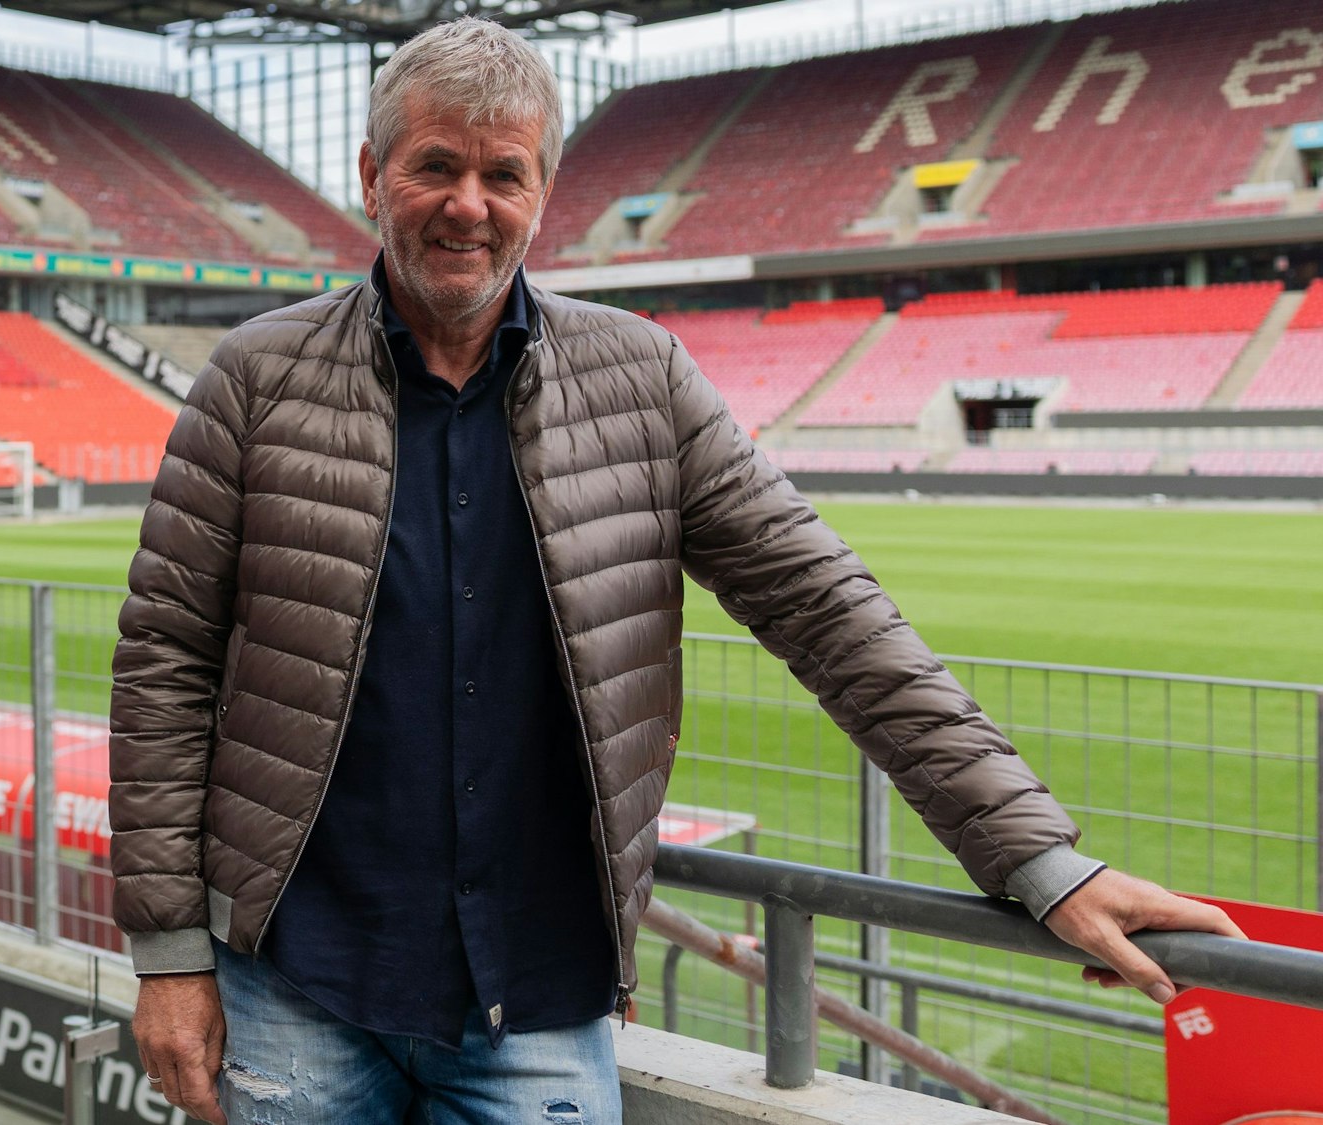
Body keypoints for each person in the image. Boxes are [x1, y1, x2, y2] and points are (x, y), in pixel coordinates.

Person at [107, 17, 1242, 1124]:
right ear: (371, 175)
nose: (468, 205)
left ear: (544, 192)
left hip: (535, 991)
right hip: (296, 978)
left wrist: (1036, 859)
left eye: (503, 174)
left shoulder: (642, 379)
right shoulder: (254, 379)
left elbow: (827, 611)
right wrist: (168, 954)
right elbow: (165, 664)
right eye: (434, 167)